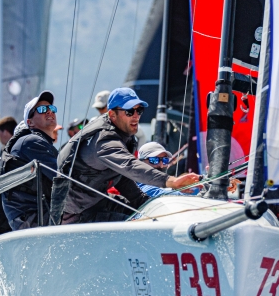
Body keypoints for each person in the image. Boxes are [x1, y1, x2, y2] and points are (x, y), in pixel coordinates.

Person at [54, 87, 199, 224]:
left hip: (95, 202)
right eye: (129, 111)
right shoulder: (104, 140)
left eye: (139, 110)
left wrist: (141, 201)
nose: (136, 116)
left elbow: (120, 176)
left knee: (147, 210)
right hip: (76, 214)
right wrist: (171, 181)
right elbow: (129, 166)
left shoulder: (123, 135)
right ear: (112, 114)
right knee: (140, 223)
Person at [0, 90, 60, 230]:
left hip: (32, 216)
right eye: (42, 109)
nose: (49, 112)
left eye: (51, 108)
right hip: (32, 218)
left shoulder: (38, 142)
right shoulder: (31, 142)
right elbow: (63, 177)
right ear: (30, 122)